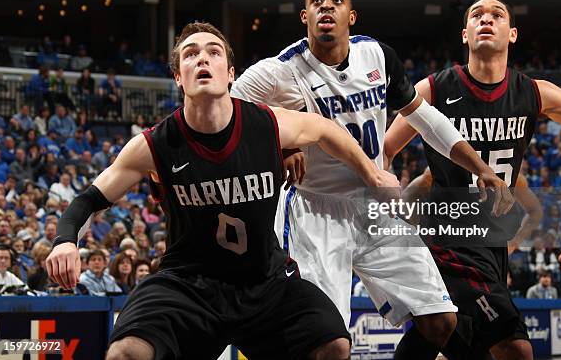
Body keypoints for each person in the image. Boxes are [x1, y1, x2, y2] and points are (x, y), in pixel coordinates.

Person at [46, 21, 401, 360]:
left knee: (335, 345)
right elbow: (90, 198)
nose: (202, 58)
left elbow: (325, 129)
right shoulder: (155, 144)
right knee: (126, 352)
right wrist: (64, 239)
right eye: (191, 54)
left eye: (214, 52)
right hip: (188, 284)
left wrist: (372, 172)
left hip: (266, 281)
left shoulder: (268, 124)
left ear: (231, 73)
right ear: (178, 78)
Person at [231, 0, 513, 356]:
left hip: (375, 205)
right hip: (317, 212)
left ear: (352, 15)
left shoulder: (376, 56)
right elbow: (226, 116)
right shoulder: (279, 71)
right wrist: (280, 146)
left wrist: (480, 166)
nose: (326, 5)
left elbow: (425, 119)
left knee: (440, 320)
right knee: (328, 343)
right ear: (305, 16)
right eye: (317, 0)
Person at [384, 0, 561, 360]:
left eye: (497, 15)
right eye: (477, 15)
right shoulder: (433, 89)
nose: (486, 19)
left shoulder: (534, 93)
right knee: (514, 348)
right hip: (449, 238)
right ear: (465, 33)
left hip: (493, 242)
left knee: (457, 343)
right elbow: (386, 150)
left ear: (513, 34)